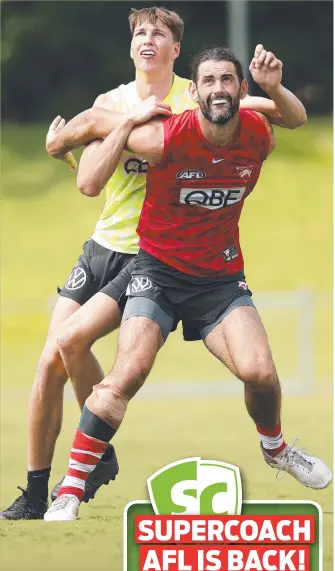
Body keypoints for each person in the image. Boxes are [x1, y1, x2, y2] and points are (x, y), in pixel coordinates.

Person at [0, 6, 306, 521]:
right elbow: (84, 170)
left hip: (152, 253)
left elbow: (270, 113)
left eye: (159, 33)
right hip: (103, 243)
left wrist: (273, 89)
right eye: (140, 32)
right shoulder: (111, 102)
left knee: (71, 344)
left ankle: (90, 458)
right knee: (50, 361)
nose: (148, 39)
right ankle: (37, 490)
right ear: (130, 47)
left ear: (176, 49)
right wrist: (61, 143)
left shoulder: (199, 95)